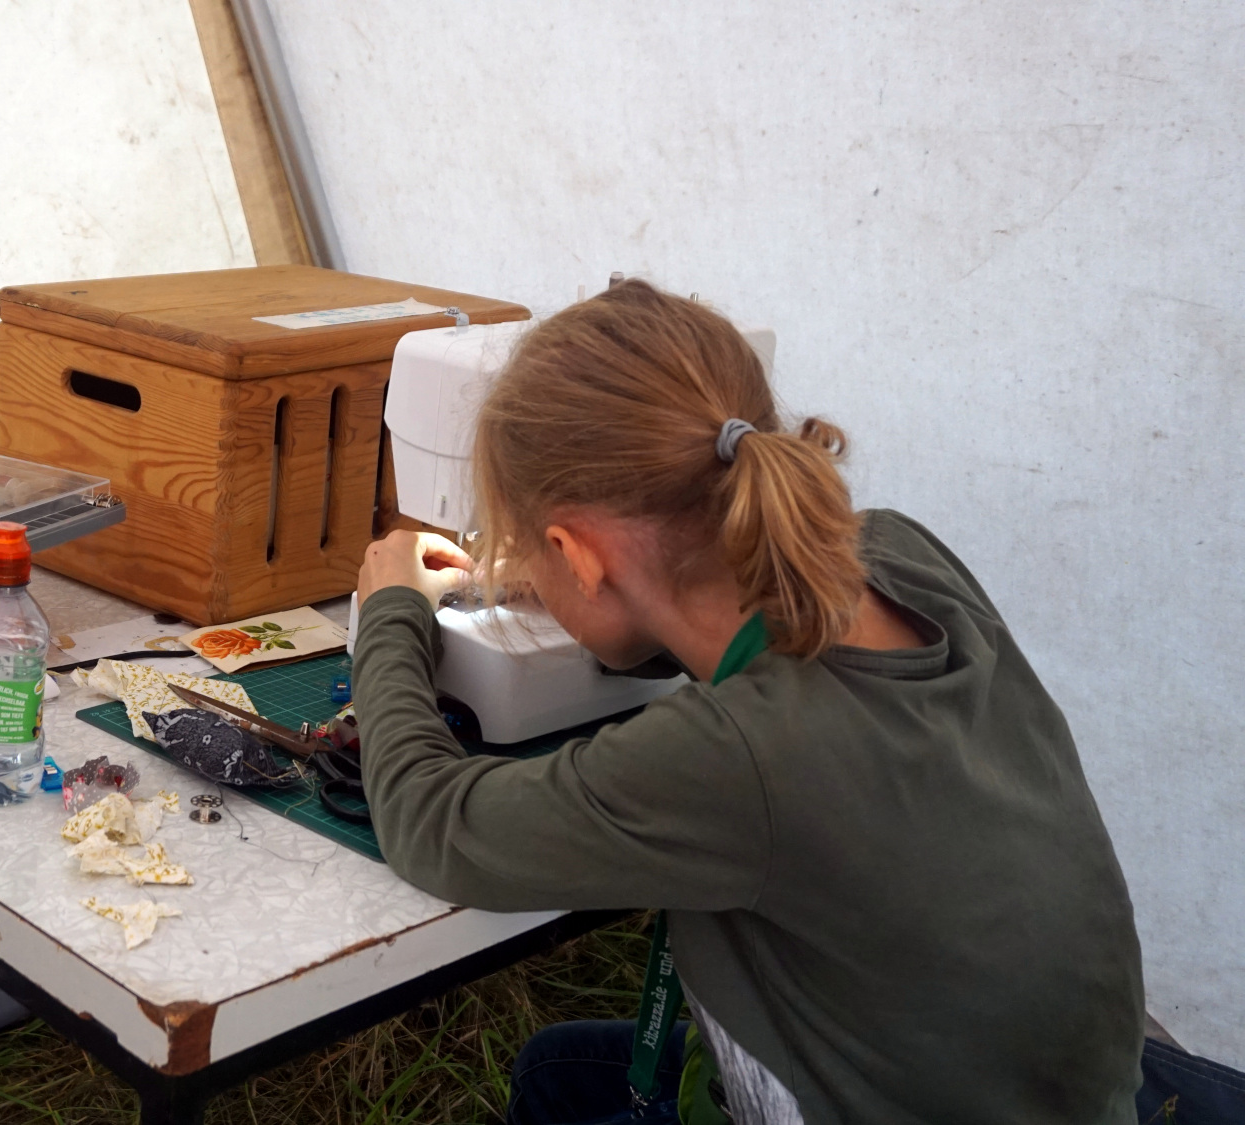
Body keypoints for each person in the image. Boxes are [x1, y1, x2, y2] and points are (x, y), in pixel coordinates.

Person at [352, 280, 1145, 1124]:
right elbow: (764, 651)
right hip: (1058, 1092)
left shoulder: (731, 755)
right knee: (562, 1068)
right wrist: (606, 593)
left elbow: (431, 823)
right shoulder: (901, 553)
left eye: (539, 553)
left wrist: (392, 613)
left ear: (576, 555)